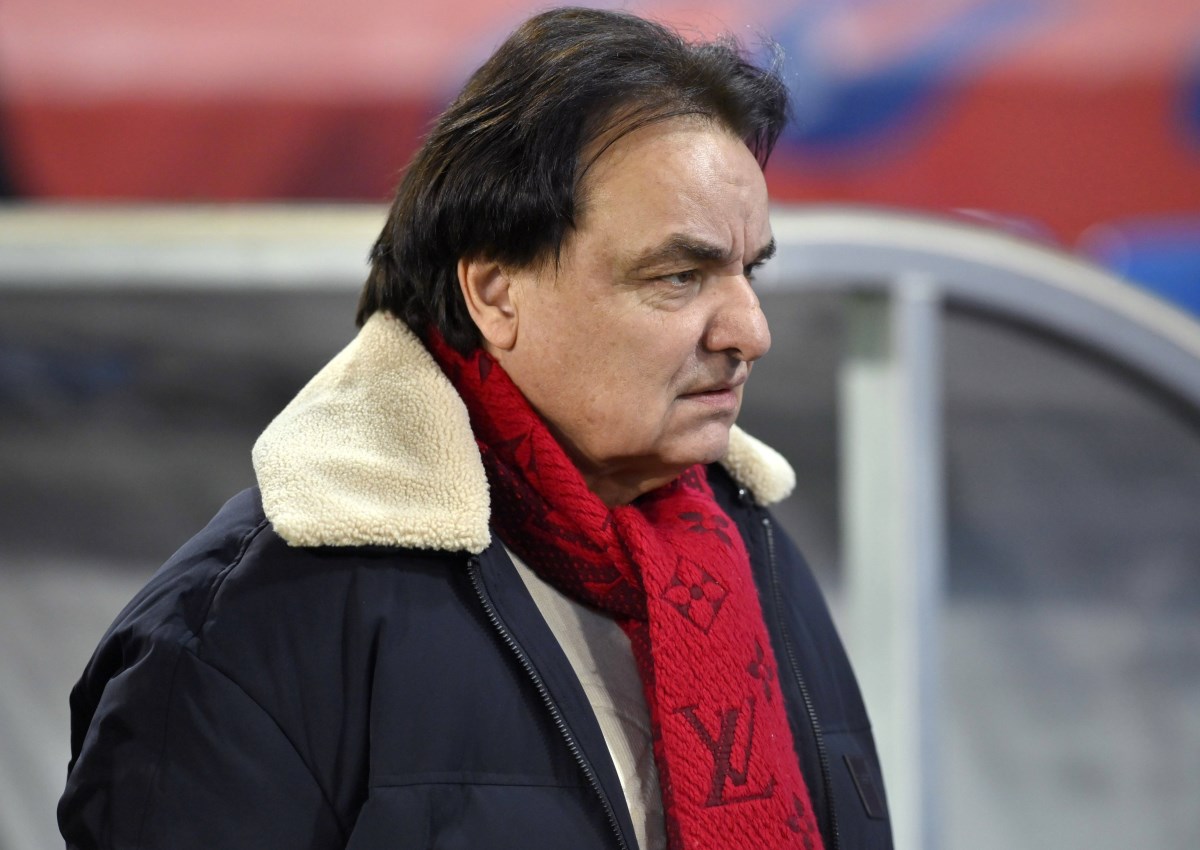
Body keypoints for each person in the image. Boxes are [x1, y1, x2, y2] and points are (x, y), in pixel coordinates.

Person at [59, 8, 892, 849]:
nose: (750, 332)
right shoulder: (244, 630)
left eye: (749, 272)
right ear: (496, 293)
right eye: (679, 276)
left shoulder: (753, 553)